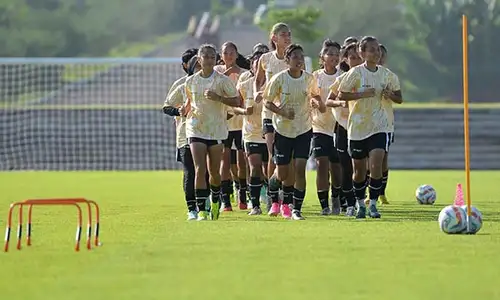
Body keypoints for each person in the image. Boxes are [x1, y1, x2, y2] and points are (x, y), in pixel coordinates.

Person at [337, 36, 402, 219]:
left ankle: (373, 204)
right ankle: (359, 204)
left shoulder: (387, 75)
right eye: (372, 49)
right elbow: (342, 94)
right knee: (358, 171)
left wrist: (390, 95)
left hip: (379, 126)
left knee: (376, 165)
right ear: (362, 53)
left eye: (377, 49)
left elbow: (399, 97)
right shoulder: (355, 74)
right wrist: (362, 94)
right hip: (357, 128)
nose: (376, 52)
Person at [264, 44, 324, 220]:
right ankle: (273, 189)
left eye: (301, 57)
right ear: (287, 60)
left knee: (299, 168)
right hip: (283, 130)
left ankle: (295, 208)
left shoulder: (309, 78)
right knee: (282, 173)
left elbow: (316, 96)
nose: (299, 60)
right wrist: (282, 112)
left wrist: (317, 103)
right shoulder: (279, 79)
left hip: (304, 129)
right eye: (295, 57)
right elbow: (267, 102)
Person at [183, 44, 241, 221]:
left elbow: (238, 101)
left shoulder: (222, 80)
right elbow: (189, 103)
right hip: (196, 128)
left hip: (216, 130)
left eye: (211, 57)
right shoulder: (191, 81)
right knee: (200, 169)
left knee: (214, 172)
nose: (208, 60)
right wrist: (182, 112)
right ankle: (201, 210)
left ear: (216, 60)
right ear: (199, 60)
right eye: (205, 56)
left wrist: (219, 98)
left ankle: (215, 199)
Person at [254, 22, 292, 217]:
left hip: (289, 114)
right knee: (272, 156)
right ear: (274, 37)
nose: (288, 37)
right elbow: (258, 80)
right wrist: (257, 94)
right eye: (284, 34)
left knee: (289, 160)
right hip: (269, 112)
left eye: (289, 34)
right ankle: (273, 199)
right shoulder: (265, 59)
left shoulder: (293, 58)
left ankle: (288, 198)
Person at [326, 42, 363, 217]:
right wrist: (342, 103)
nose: (356, 61)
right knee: (346, 168)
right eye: (352, 58)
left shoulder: (369, 78)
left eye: (358, 57)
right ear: (346, 60)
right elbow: (329, 101)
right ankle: (349, 204)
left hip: (365, 128)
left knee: (364, 168)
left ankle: (361, 200)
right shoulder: (341, 79)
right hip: (343, 127)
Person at [162, 49, 200, 220]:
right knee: (190, 171)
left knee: (206, 171)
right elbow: (166, 107)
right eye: (197, 65)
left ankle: (204, 203)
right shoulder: (182, 85)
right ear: (189, 67)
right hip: (186, 135)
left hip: (209, 133)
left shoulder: (215, 83)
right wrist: (179, 111)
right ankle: (191, 208)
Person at [214, 42, 249, 211]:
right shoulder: (216, 72)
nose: (228, 55)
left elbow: (242, 98)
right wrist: (227, 74)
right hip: (223, 123)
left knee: (242, 161)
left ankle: (243, 197)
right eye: (225, 53)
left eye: (232, 52)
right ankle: (225, 200)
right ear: (221, 56)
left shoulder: (244, 74)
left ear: (236, 55)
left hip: (240, 123)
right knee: (225, 161)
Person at [233, 50, 268, 215]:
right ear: (252, 67)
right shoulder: (244, 85)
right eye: (256, 64)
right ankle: (255, 205)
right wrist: (243, 111)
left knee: (270, 170)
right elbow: (234, 106)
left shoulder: (275, 83)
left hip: (270, 132)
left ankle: (274, 199)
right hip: (250, 133)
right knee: (254, 168)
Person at [311, 39, 343, 215]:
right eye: (330, 53)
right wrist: (316, 102)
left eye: (337, 54)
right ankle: (324, 205)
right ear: (322, 57)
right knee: (321, 163)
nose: (334, 57)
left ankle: (336, 198)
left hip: (338, 127)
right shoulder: (315, 77)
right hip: (319, 126)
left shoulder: (343, 76)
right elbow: (311, 95)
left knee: (336, 169)